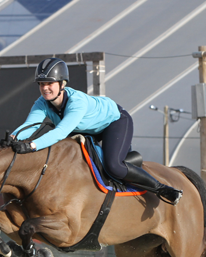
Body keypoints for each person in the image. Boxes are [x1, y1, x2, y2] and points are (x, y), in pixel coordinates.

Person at [11, 58, 182, 205]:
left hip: (115, 122)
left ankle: (162, 189)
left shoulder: (76, 102)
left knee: (114, 166)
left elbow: (61, 132)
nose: (45, 88)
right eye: (41, 84)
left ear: (62, 84)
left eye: (49, 83)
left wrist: (32, 146)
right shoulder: (41, 103)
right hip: (88, 131)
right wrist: (12, 138)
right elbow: (31, 125)